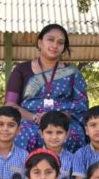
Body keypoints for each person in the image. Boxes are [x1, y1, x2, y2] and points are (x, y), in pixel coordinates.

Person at [6, 23, 89, 153]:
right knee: (24, 134)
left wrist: (60, 116)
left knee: (71, 134)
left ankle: (68, 172)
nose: (55, 45)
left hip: (64, 121)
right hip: (30, 120)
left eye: (60, 42)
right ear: (40, 42)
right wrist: (35, 117)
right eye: (50, 40)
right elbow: (10, 104)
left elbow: (81, 104)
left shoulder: (72, 73)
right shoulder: (21, 70)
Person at [39, 111, 78, 179]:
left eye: (59, 132)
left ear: (67, 134)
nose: (54, 137)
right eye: (49, 132)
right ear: (41, 134)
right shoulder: (33, 158)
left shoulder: (72, 159)